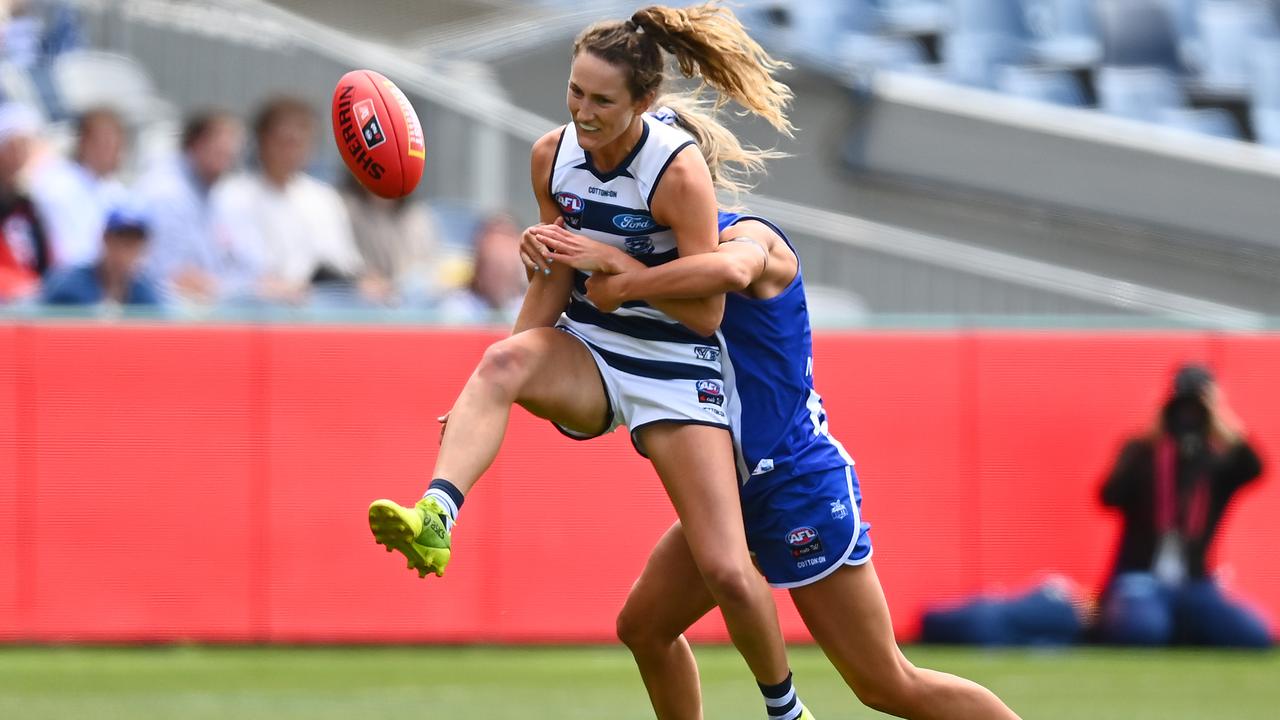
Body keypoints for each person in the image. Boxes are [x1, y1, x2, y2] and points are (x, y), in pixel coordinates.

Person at [367, 5, 816, 719]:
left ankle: (786, 710)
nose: (583, 111)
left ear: (645, 103)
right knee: (498, 363)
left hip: (676, 366)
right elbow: (553, 278)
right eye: (575, 92)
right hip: (593, 345)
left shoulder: (677, 174)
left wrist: (616, 263)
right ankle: (436, 516)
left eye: (602, 100)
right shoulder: (552, 154)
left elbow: (706, 312)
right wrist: (509, 367)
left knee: (729, 571)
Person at [522, 98, 1021, 720]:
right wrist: (546, 248)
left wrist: (623, 277)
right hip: (729, 488)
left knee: (888, 685)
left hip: (793, 481)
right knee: (644, 628)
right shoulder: (648, 244)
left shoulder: (748, 234)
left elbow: (730, 270)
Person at [1096, 363, 1270, 648]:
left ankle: (1184, 624)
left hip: (1196, 584)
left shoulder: (1213, 463)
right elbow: (1109, 496)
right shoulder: (1143, 454)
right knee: (1144, 632)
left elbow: (1253, 468)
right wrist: (1149, 436)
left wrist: (1217, 417)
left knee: (1253, 636)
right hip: (1140, 579)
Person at [215, 96, 373, 306]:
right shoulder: (230, 195)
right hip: (256, 310)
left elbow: (344, 263)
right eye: (285, 140)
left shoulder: (324, 197)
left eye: (301, 141)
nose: (292, 150)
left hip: (321, 310)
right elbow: (228, 268)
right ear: (262, 140)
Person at [138, 109, 258, 304]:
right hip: (165, 314)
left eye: (232, 150)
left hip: (202, 307)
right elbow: (172, 277)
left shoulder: (215, 194)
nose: (229, 156)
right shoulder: (166, 194)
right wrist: (252, 291)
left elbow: (242, 262)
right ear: (196, 144)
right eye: (221, 149)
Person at [29, 107, 129, 268]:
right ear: (83, 142)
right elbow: (67, 254)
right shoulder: (54, 184)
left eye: (116, 145)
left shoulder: (117, 191)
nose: (112, 152)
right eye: (105, 143)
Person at [42, 206, 159, 307]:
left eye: (133, 244)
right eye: (120, 240)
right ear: (105, 238)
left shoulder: (145, 291)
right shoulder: (69, 285)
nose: (125, 252)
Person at [0, 102, 51, 303]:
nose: (19, 155)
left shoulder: (29, 206)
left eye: (25, 146)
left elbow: (44, 259)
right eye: (13, 146)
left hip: (29, 300)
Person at [437, 213, 527, 324]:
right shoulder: (457, 309)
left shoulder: (531, 308)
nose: (499, 276)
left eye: (505, 264)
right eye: (493, 263)